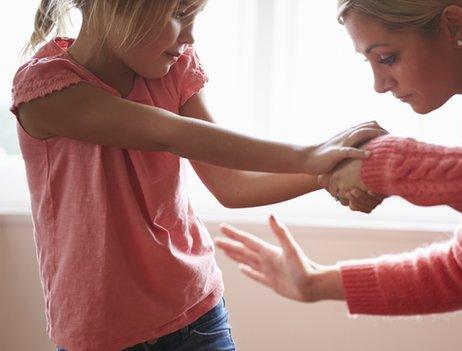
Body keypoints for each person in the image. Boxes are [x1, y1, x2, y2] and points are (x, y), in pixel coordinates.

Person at [214, 0, 462, 347]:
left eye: (387, 57)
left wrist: (381, 163)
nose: (378, 84)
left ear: (452, 24)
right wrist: (315, 283)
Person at [9, 0, 387, 350]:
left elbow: (234, 184)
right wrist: (315, 156)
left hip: (197, 319)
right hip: (99, 336)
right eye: (179, 13)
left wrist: (331, 170)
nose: (190, 36)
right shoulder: (46, 90)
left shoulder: (174, 69)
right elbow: (170, 134)